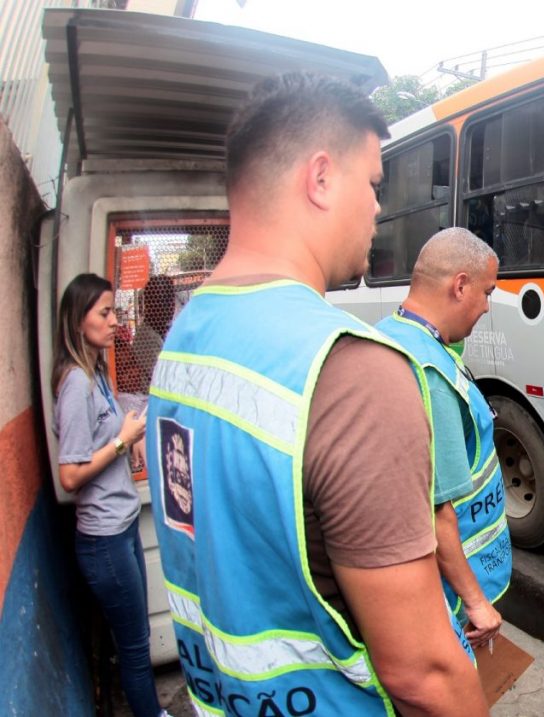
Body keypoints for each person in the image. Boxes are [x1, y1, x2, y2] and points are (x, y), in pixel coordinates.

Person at [145, 72, 487, 717]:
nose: (379, 209)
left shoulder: (186, 335)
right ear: (321, 178)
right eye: (374, 184)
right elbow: (425, 675)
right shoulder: (351, 371)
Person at [377, 227, 512, 653]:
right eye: (487, 292)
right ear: (460, 286)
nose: (488, 306)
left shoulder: (389, 334)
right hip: (446, 602)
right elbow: (438, 515)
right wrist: (477, 604)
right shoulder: (432, 375)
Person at [51, 273, 171, 717]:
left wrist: (131, 419)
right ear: (77, 320)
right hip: (102, 539)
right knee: (138, 651)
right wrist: (122, 441)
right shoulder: (76, 383)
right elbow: (69, 475)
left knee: (135, 637)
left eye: (113, 309)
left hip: (119, 530)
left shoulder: (96, 373)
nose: (113, 320)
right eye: (104, 312)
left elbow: (113, 410)